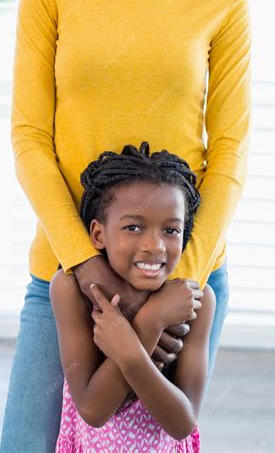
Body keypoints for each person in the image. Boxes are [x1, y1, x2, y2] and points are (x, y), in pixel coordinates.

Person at [0, 0, 251, 452]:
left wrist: (184, 280)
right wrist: (87, 263)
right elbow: (29, 137)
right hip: (68, 266)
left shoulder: (221, 2)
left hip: (181, 267)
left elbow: (229, 151)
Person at [51, 141, 214, 451]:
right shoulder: (71, 289)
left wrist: (134, 343)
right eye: (134, 227)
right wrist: (149, 323)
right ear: (98, 234)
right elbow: (94, 410)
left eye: (171, 231)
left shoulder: (198, 301)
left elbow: (182, 423)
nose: (155, 245)